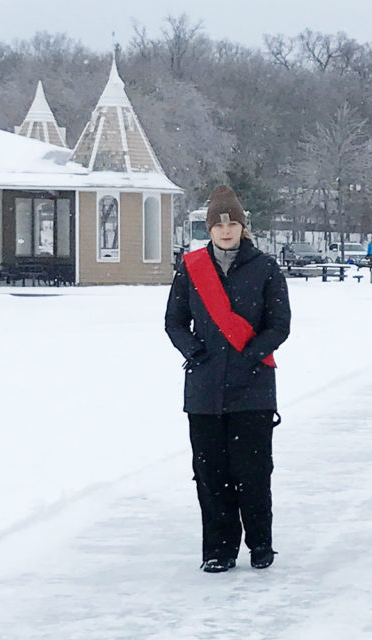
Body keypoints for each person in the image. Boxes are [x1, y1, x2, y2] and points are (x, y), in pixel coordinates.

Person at [164, 186, 293, 574]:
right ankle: (218, 549)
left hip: (253, 389)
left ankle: (260, 545)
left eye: (232, 223)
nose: (225, 231)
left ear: (242, 226)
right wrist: (194, 351)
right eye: (218, 225)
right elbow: (174, 322)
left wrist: (251, 354)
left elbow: (280, 325)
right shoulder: (191, 269)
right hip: (203, 391)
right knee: (210, 473)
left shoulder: (266, 268)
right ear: (209, 229)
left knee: (253, 473)